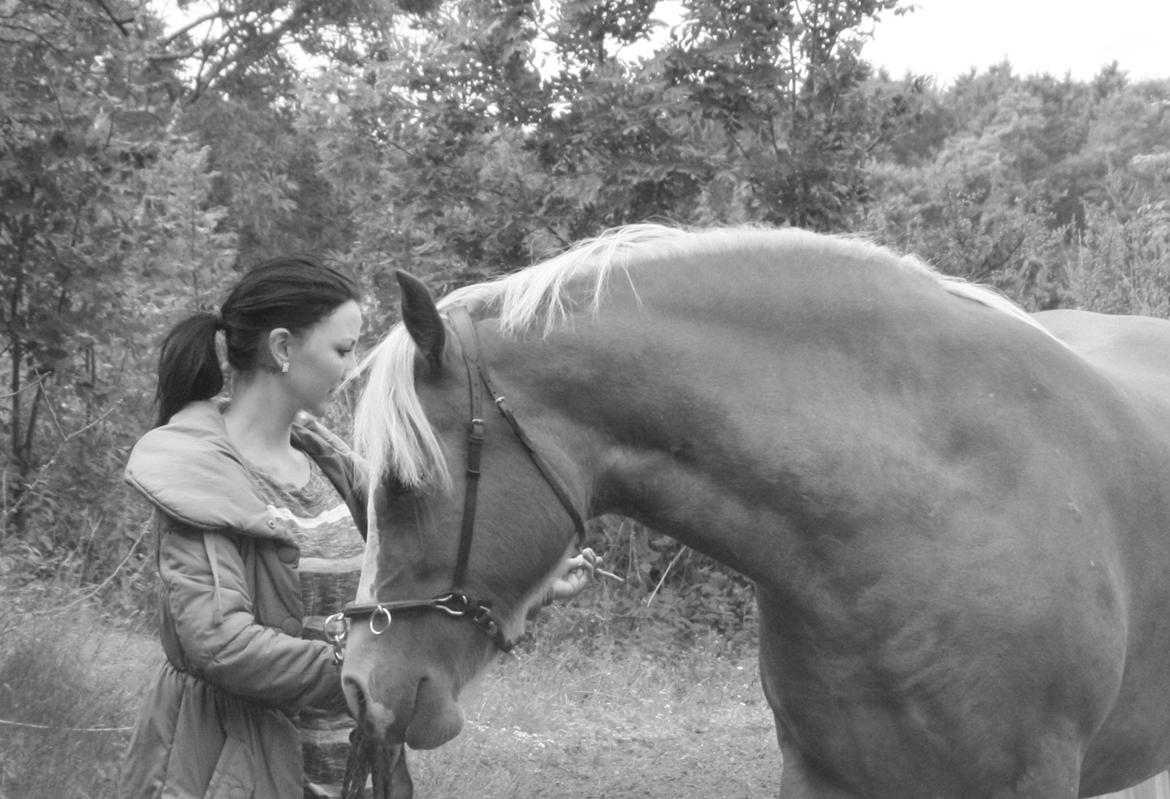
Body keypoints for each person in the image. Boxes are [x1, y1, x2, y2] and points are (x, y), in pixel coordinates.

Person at [120, 255, 600, 799]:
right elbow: (219, 645)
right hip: (232, 774)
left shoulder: (331, 466)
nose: (351, 370)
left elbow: (400, 594)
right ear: (282, 348)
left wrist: (533, 591)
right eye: (342, 350)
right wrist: (370, 674)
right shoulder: (200, 475)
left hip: (343, 776)